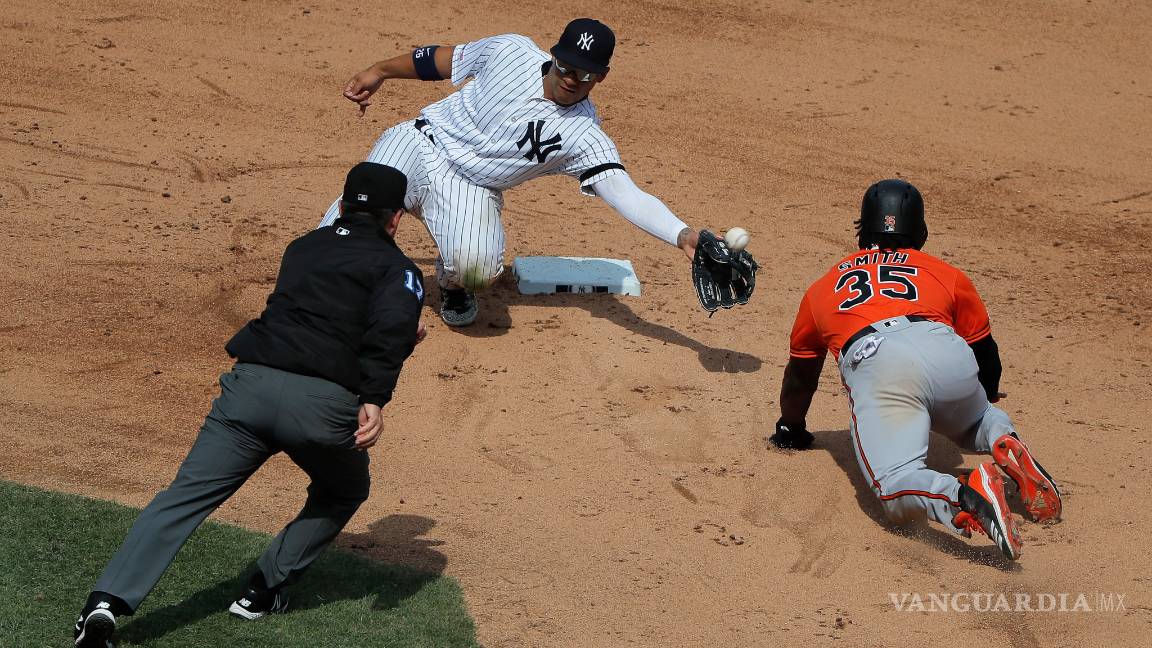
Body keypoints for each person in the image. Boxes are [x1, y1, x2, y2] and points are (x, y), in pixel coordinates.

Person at [73, 162, 427, 647]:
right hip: (321, 410)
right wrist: (375, 398)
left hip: (249, 390)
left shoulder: (301, 248)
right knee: (344, 488)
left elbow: (316, 310)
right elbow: (386, 331)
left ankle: (104, 607)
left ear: (341, 205)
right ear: (396, 220)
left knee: (183, 497)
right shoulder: (399, 269)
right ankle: (262, 591)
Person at [323, 18, 718, 327]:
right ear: (554, 54)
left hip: (471, 186)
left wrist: (680, 233)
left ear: (601, 76)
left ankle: (453, 286)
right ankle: (316, 285)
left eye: (584, 74)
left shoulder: (583, 134)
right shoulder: (509, 51)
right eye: (565, 65)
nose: (569, 78)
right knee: (342, 231)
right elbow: (441, 60)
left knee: (477, 268)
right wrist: (381, 70)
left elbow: (626, 193)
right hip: (419, 143)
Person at [768, 179, 1062, 561]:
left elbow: (800, 377)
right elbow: (986, 355)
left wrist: (792, 428)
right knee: (978, 417)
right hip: (943, 344)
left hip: (878, 358)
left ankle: (963, 493)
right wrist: (980, 398)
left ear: (862, 231)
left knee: (893, 486)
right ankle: (999, 435)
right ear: (921, 233)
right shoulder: (944, 272)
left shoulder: (823, 287)